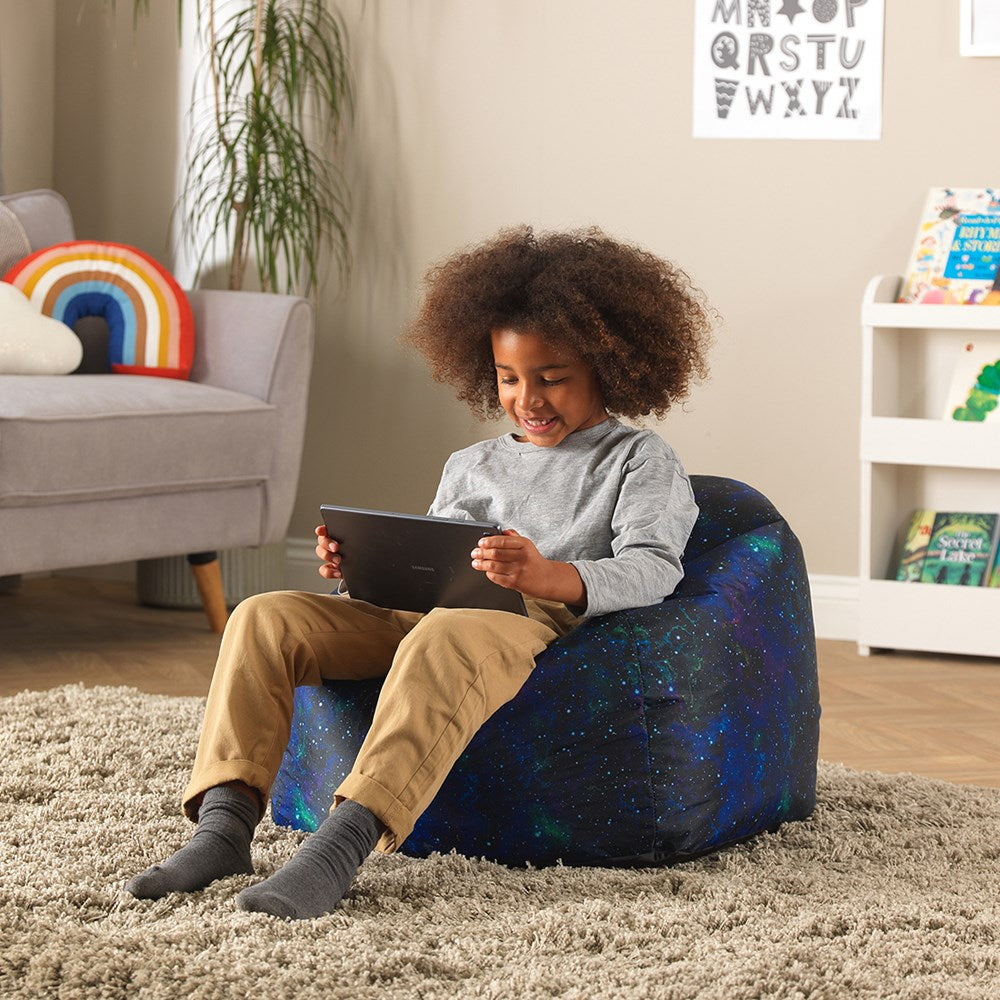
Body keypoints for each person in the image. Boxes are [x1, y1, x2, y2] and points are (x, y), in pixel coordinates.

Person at [125, 225, 713, 919]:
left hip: (521, 616)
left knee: (447, 634)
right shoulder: (471, 463)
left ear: (608, 367)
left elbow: (653, 569)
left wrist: (546, 574)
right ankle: (222, 830)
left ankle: (339, 847)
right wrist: (357, 570)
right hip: (424, 607)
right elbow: (427, 560)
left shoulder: (638, 459)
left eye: (552, 378)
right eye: (509, 378)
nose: (528, 398)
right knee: (262, 617)